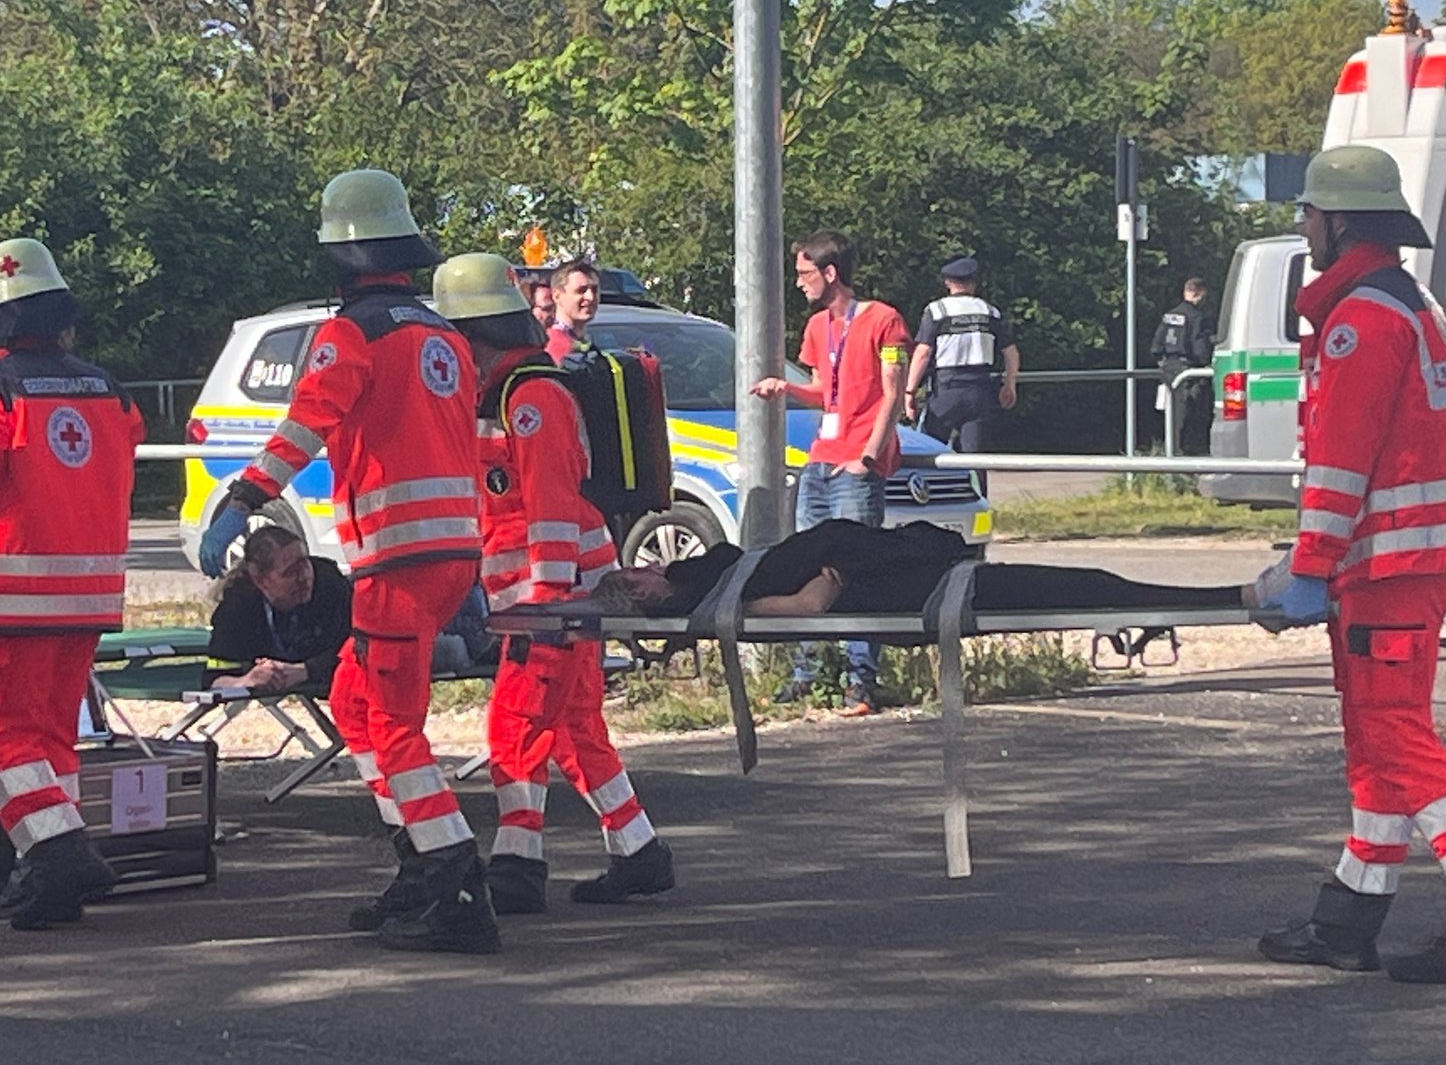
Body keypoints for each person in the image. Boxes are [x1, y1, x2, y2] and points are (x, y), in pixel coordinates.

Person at [194, 169, 497, 955]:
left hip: (395, 560)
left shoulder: (351, 335)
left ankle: (454, 874)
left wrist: (246, 495)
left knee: (391, 727)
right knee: (360, 707)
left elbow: (308, 423)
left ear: (342, 255)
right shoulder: (444, 336)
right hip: (450, 555)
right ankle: (421, 863)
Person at [1248, 145, 1446, 985]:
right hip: (1409, 555)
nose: (1302, 229)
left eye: (1308, 215)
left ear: (1337, 222)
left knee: (1398, 737)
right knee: (1374, 738)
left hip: (1390, 563)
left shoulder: (1359, 320)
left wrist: (1308, 566)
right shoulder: (1407, 303)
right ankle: (1349, 917)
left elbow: (1342, 461)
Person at [429, 252, 676, 915]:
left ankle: (516, 864)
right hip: (546, 593)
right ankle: (638, 849)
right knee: (572, 725)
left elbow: (550, 507)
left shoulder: (531, 397)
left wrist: (547, 603)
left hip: (554, 595)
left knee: (515, 724)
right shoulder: (503, 394)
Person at [0, 238, 143, 931]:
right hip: (85, 598)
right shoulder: (110, 391)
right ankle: (51, 879)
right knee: (50, 736)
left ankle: (55, 852)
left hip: (4, 596)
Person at [750, 229, 911, 715]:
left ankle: (861, 682)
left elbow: (892, 396)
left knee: (852, 570)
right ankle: (808, 672)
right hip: (820, 461)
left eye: (804, 273)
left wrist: (866, 456)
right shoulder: (819, 327)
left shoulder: (884, 320)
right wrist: (787, 388)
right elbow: (825, 390)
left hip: (856, 466)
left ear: (830, 273)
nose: (799, 283)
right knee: (807, 568)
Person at [590, 519, 1246, 618]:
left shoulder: (698, 571)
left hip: (873, 561)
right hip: (881, 581)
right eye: (633, 581)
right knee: (1081, 591)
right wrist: (819, 588)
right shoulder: (700, 600)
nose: (642, 569)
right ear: (640, 598)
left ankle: (1232, 594)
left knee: (1082, 586)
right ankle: (1231, 596)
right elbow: (797, 608)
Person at [206, 525, 494, 692]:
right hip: (384, 647)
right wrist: (246, 679)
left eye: (305, 563)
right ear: (261, 579)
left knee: (457, 648)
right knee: (448, 650)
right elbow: (213, 677)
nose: (304, 577)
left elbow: (360, 646)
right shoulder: (238, 607)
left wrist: (304, 671)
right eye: (290, 571)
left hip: (429, 623)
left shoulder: (326, 580)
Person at [904, 257, 1019, 453]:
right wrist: (1010, 384)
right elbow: (1011, 352)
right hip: (979, 392)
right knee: (975, 457)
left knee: (929, 452)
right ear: (973, 282)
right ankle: (976, 484)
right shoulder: (990, 312)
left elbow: (923, 353)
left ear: (947, 282)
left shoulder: (937, 311)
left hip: (946, 391)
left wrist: (910, 392)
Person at [1151, 277, 1215, 456]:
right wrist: (1206, 364)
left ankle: (1169, 448)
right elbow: (1199, 348)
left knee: (1170, 411)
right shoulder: (1196, 317)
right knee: (1187, 413)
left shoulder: (1170, 315)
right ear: (1199, 294)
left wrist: (1163, 361)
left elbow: (1156, 345)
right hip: (1187, 370)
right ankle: (1183, 453)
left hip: (1168, 368)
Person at [544, 260, 600, 363]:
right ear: (557, 296)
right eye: (581, 290)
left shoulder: (589, 344)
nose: (590, 297)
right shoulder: (554, 347)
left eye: (594, 290)